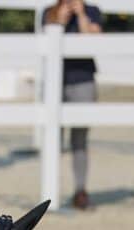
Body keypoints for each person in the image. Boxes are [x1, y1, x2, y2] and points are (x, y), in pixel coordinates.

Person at [44, 0, 103, 210]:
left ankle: (80, 190)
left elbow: (93, 40)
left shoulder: (92, 11)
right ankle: (51, 190)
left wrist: (81, 16)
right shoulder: (49, 11)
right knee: (53, 139)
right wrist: (60, 20)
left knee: (80, 139)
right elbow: (46, 40)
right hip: (55, 81)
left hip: (83, 78)